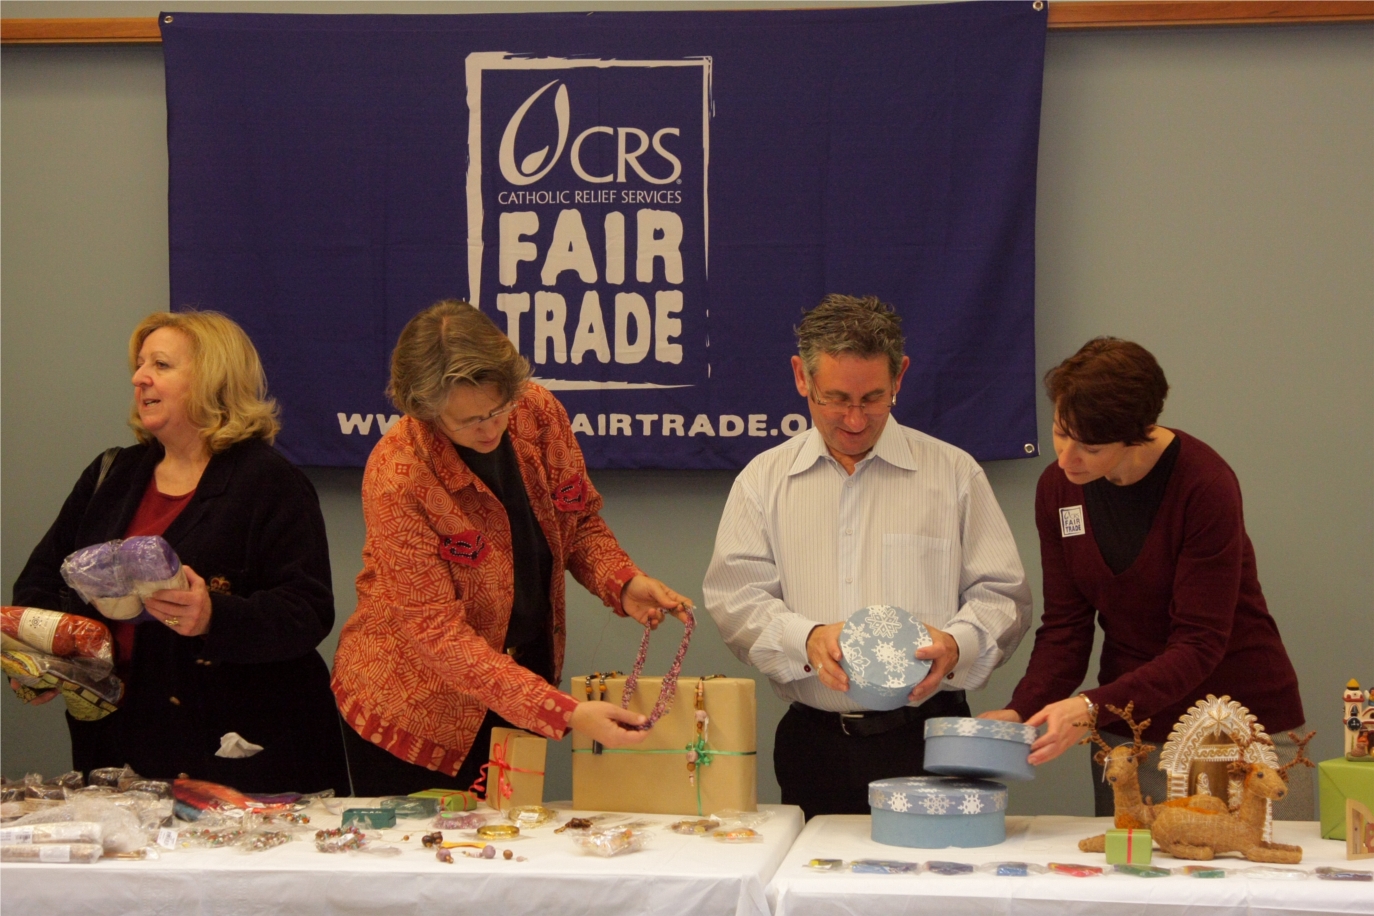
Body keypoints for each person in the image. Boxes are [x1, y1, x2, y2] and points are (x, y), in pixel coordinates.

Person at [331, 300, 694, 795]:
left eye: (498, 409)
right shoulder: (398, 475)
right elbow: (436, 633)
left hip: (518, 686)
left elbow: (578, 522)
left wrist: (622, 581)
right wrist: (563, 711)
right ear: (425, 410)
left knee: (510, 856)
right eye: (468, 421)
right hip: (415, 715)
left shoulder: (539, 412)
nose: (490, 429)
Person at [703, 294, 1032, 819]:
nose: (854, 420)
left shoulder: (954, 474)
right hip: (817, 745)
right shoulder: (762, 481)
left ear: (900, 377)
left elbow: (1003, 598)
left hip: (931, 743)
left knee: (934, 890)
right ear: (801, 378)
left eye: (873, 399)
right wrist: (806, 638)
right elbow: (735, 599)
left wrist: (957, 643)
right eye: (835, 399)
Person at [12, 311, 349, 794]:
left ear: (213, 380)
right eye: (140, 364)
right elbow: (39, 582)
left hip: (239, 758)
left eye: (161, 364)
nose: (139, 376)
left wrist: (214, 616)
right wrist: (48, 654)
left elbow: (307, 612)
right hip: (117, 751)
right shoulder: (112, 474)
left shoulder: (270, 483)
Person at [982, 337, 1309, 817]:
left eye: (1089, 447)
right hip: (1131, 729)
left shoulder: (1204, 484)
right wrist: (1020, 711)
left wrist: (1091, 708)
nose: (1067, 458)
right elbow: (1066, 630)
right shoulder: (1058, 489)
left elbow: (1199, 644)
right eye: (1059, 432)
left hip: (1235, 729)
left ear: (1138, 433)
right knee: (1132, 881)